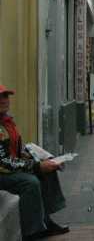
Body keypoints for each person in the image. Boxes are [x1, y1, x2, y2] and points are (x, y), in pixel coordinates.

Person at [0, 85, 69, 240]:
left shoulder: (7, 121)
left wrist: (41, 159)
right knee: (30, 182)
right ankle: (31, 232)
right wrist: (36, 166)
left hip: (9, 169)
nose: (4, 100)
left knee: (48, 169)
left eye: (6, 96)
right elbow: (3, 162)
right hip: (3, 173)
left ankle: (46, 222)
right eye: (0, 97)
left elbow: (18, 151)